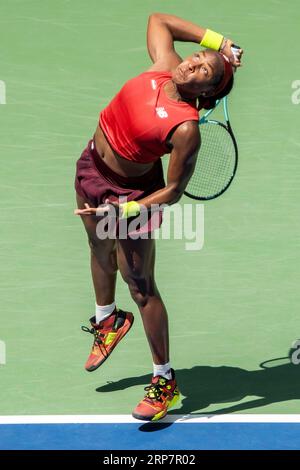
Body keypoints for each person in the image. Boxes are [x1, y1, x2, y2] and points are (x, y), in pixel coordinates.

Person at [74, 12, 243, 421]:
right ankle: (107, 320)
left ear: (208, 92)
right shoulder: (164, 67)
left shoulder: (187, 129)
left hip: (132, 195)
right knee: (99, 249)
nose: (192, 63)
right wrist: (220, 42)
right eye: (196, 57)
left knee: (140, 285)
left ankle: (164, 380)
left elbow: (172, 192)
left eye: (204, 68)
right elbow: (159, 21)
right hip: (92, 167)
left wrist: (126, 209)